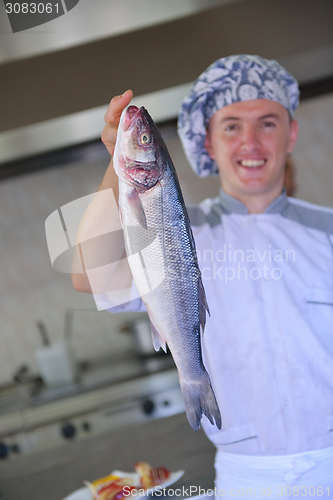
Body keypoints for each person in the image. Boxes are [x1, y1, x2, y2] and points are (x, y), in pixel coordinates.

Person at [72, 55, 333, 496]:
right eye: (231, 126)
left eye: (267, 123)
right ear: (207, 142)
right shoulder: (176, 229)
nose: (250, 141)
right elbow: (89, 274)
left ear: (292, 134)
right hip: (246, 480)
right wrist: (119, 157)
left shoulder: (327, 230)